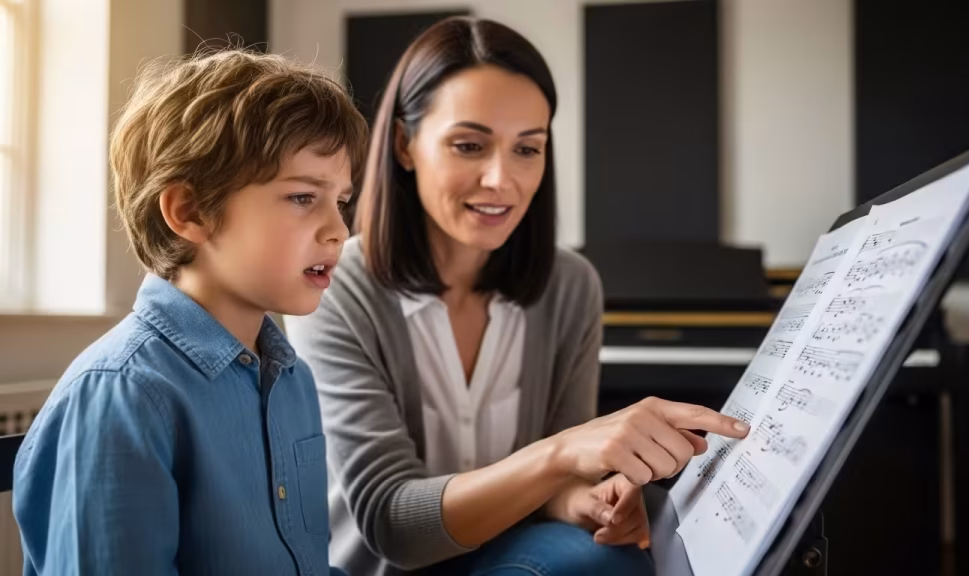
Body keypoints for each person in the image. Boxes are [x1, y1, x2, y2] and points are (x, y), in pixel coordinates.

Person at [285, 16, 749, 576]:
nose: (501, 179)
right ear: (405, 145)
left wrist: (585, 501)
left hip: (508, 555)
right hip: (383, 569)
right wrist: (563, 452)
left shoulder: (571, 286)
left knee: (612, 559)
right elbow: (393, 525)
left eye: (527, 149)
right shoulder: (338, 284)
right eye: (469, 145)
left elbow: (557, 490)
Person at [12, 48, 367, 575]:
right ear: (190, 211)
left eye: (340, 201)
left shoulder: (293, 380)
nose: (339, 230)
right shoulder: (122, 395)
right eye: (301, 197)